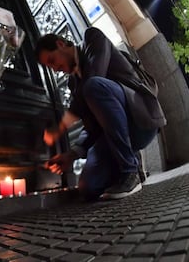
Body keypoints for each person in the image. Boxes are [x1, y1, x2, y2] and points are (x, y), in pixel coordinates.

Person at [35, 27, 166, 201]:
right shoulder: (73, 84)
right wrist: (72, 154)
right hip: (112, 135)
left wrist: (61, 127)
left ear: (60, 44)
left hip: (139, 120)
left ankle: (130, 172)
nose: (55, 69)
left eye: (52, 60)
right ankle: (128, 163)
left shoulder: (92, 39)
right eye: (50, 66)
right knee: (88, 187)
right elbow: (92, 126)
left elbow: (94, 76)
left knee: (94, 86)